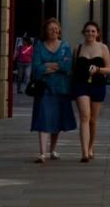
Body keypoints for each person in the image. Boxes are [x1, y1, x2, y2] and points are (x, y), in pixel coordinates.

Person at [30, 18, 77, 163]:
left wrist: (48, 65)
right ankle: (42, 153)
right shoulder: (39, 46)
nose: (54, 32)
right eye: (51, 29)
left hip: (61, 88)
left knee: (57, 119)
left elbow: (67, 66)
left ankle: (53, 150)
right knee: (43, 118)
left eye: (56, 29)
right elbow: (36, 68)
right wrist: (56, 66)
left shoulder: (65, 46)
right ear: (45, 31)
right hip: (44, 89)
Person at [70, 21, 110, 163]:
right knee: (84, 116)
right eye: (87, 31)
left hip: (98, 85)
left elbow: (109, 69)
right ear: (83, 33)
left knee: (93, 120)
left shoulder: (103, 48)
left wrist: (98, 70)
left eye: (93, 31)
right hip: (80, 85)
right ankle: (84, 152)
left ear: (97, 33)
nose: (90, 33)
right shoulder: (78, 48)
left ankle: (91, 146)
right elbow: (73, 69)